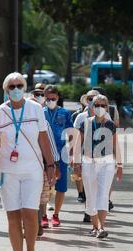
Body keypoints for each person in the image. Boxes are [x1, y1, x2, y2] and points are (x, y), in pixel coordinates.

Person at [0, 72, 56, 251]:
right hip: (7, 172)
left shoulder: (35, 109)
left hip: (33, 170)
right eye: (12, 86)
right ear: (6, 90)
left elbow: (43, 138)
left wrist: (51, 165)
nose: (16, 89)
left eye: (19, 85)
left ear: (25, 87)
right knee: (12, 216)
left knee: (30, 213)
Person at [73, 94, 123, 239]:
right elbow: (78, 144)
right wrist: (76, 162)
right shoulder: (86, 123)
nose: (100, 108)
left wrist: (119, 165)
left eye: (103, 105)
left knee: (103, 196)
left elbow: (116, 146)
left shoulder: (110, 125)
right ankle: (97, 227)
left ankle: (100, 227)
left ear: (107, 107)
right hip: (88, 162)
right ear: (92, 107)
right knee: (90, 197)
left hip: (106, 163)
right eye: (97, 105)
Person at [28, 84, 61, 237]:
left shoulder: (43, 123)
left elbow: (51, 147)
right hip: (22, 166)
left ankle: (38, 221)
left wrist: (54, 166)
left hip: (40, 167)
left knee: (40, 198)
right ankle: (30, 224)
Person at [42, 85, 74, 227]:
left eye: (53, 98)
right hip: (43, 153)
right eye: (47, 98)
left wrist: (73, 149)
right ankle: (43, 215)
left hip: (61, 153)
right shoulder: (40, 112)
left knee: (61, 186)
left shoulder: (65, 113)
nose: (50, 101)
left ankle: (56, 214)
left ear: (58, 98)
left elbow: (71, 132)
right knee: (43, 185)